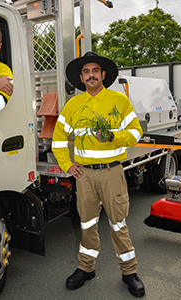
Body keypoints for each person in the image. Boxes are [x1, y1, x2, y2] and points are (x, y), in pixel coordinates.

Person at [52, 52, 145, 297]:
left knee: (118, 224)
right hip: (85, 177)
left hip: (113, 172)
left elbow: (136, 133)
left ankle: (129, 272)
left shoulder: (119, 100)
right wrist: (67, 166)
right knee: (87, 224)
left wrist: (114, 136)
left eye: (95, 70)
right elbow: (59, 140)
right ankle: (86, 268)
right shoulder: (73, 105)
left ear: (103, 75)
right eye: (86, 72)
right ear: (81, 78)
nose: (91, 75)